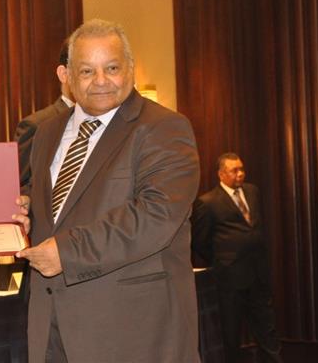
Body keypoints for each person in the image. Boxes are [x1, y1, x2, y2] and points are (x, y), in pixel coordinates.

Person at [17, 19, 201, 362]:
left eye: (112, 68)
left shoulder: (164, 128)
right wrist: (24, 211)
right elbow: (58, 204)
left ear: (130, 68)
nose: (101, 80)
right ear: (66, 76)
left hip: (133, 333)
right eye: (87, 71)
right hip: (52, 327)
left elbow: (156, 215)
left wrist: (67, 252)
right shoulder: (47, 132)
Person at [191, 153, 281, 362]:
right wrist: (222, 261)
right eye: (234, 170)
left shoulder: (253, 191)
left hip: (258, 275)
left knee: (267, 332)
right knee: (231, 335)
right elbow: (199, 241)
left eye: (241, 169)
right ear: (221, 174)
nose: (240, 173)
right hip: (230, 281)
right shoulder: (207, 202)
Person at [15, 40, 74, 189]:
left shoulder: (110, 122)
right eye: (86, 70)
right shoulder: (37, 126)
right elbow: (21, 187)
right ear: (64, 73)